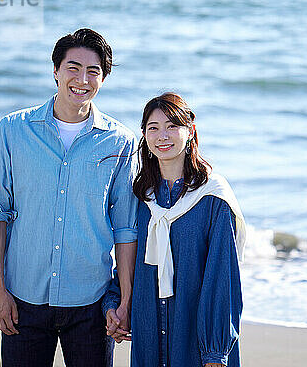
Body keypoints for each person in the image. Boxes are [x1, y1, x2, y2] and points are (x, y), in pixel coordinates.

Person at [0, 28, 137, 367]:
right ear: (56, 71)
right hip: (24, 300)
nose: (82, 79)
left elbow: (126, 229)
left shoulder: (120, 142)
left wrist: (124, 300)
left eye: (93, 71)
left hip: (90, 303)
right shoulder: (12, 130)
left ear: (103, 78)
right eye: (73, 67)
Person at [105, 92, 246, 367]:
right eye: (153, 128)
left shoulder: (213, 198)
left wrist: (215, 351)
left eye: (172, 126)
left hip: (197, 344)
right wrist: (115, 303)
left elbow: (223, 277)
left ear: (190, 130)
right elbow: (128, 260)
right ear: (144, 135)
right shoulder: (141, 198)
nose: (163, 136)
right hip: (149, 338)